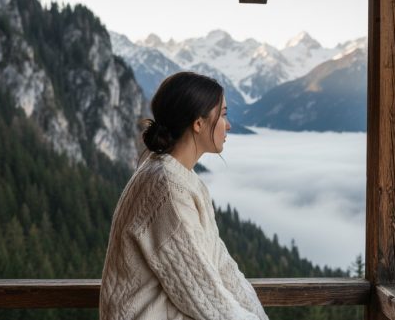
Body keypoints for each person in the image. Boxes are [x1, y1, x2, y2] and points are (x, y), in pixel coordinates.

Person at [100, 71, 269, 320]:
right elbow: (203, 294)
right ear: (198, 123)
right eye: (222, 115)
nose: (229, 124)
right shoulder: (168, 187)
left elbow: (222, 266)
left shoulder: (178, 177)